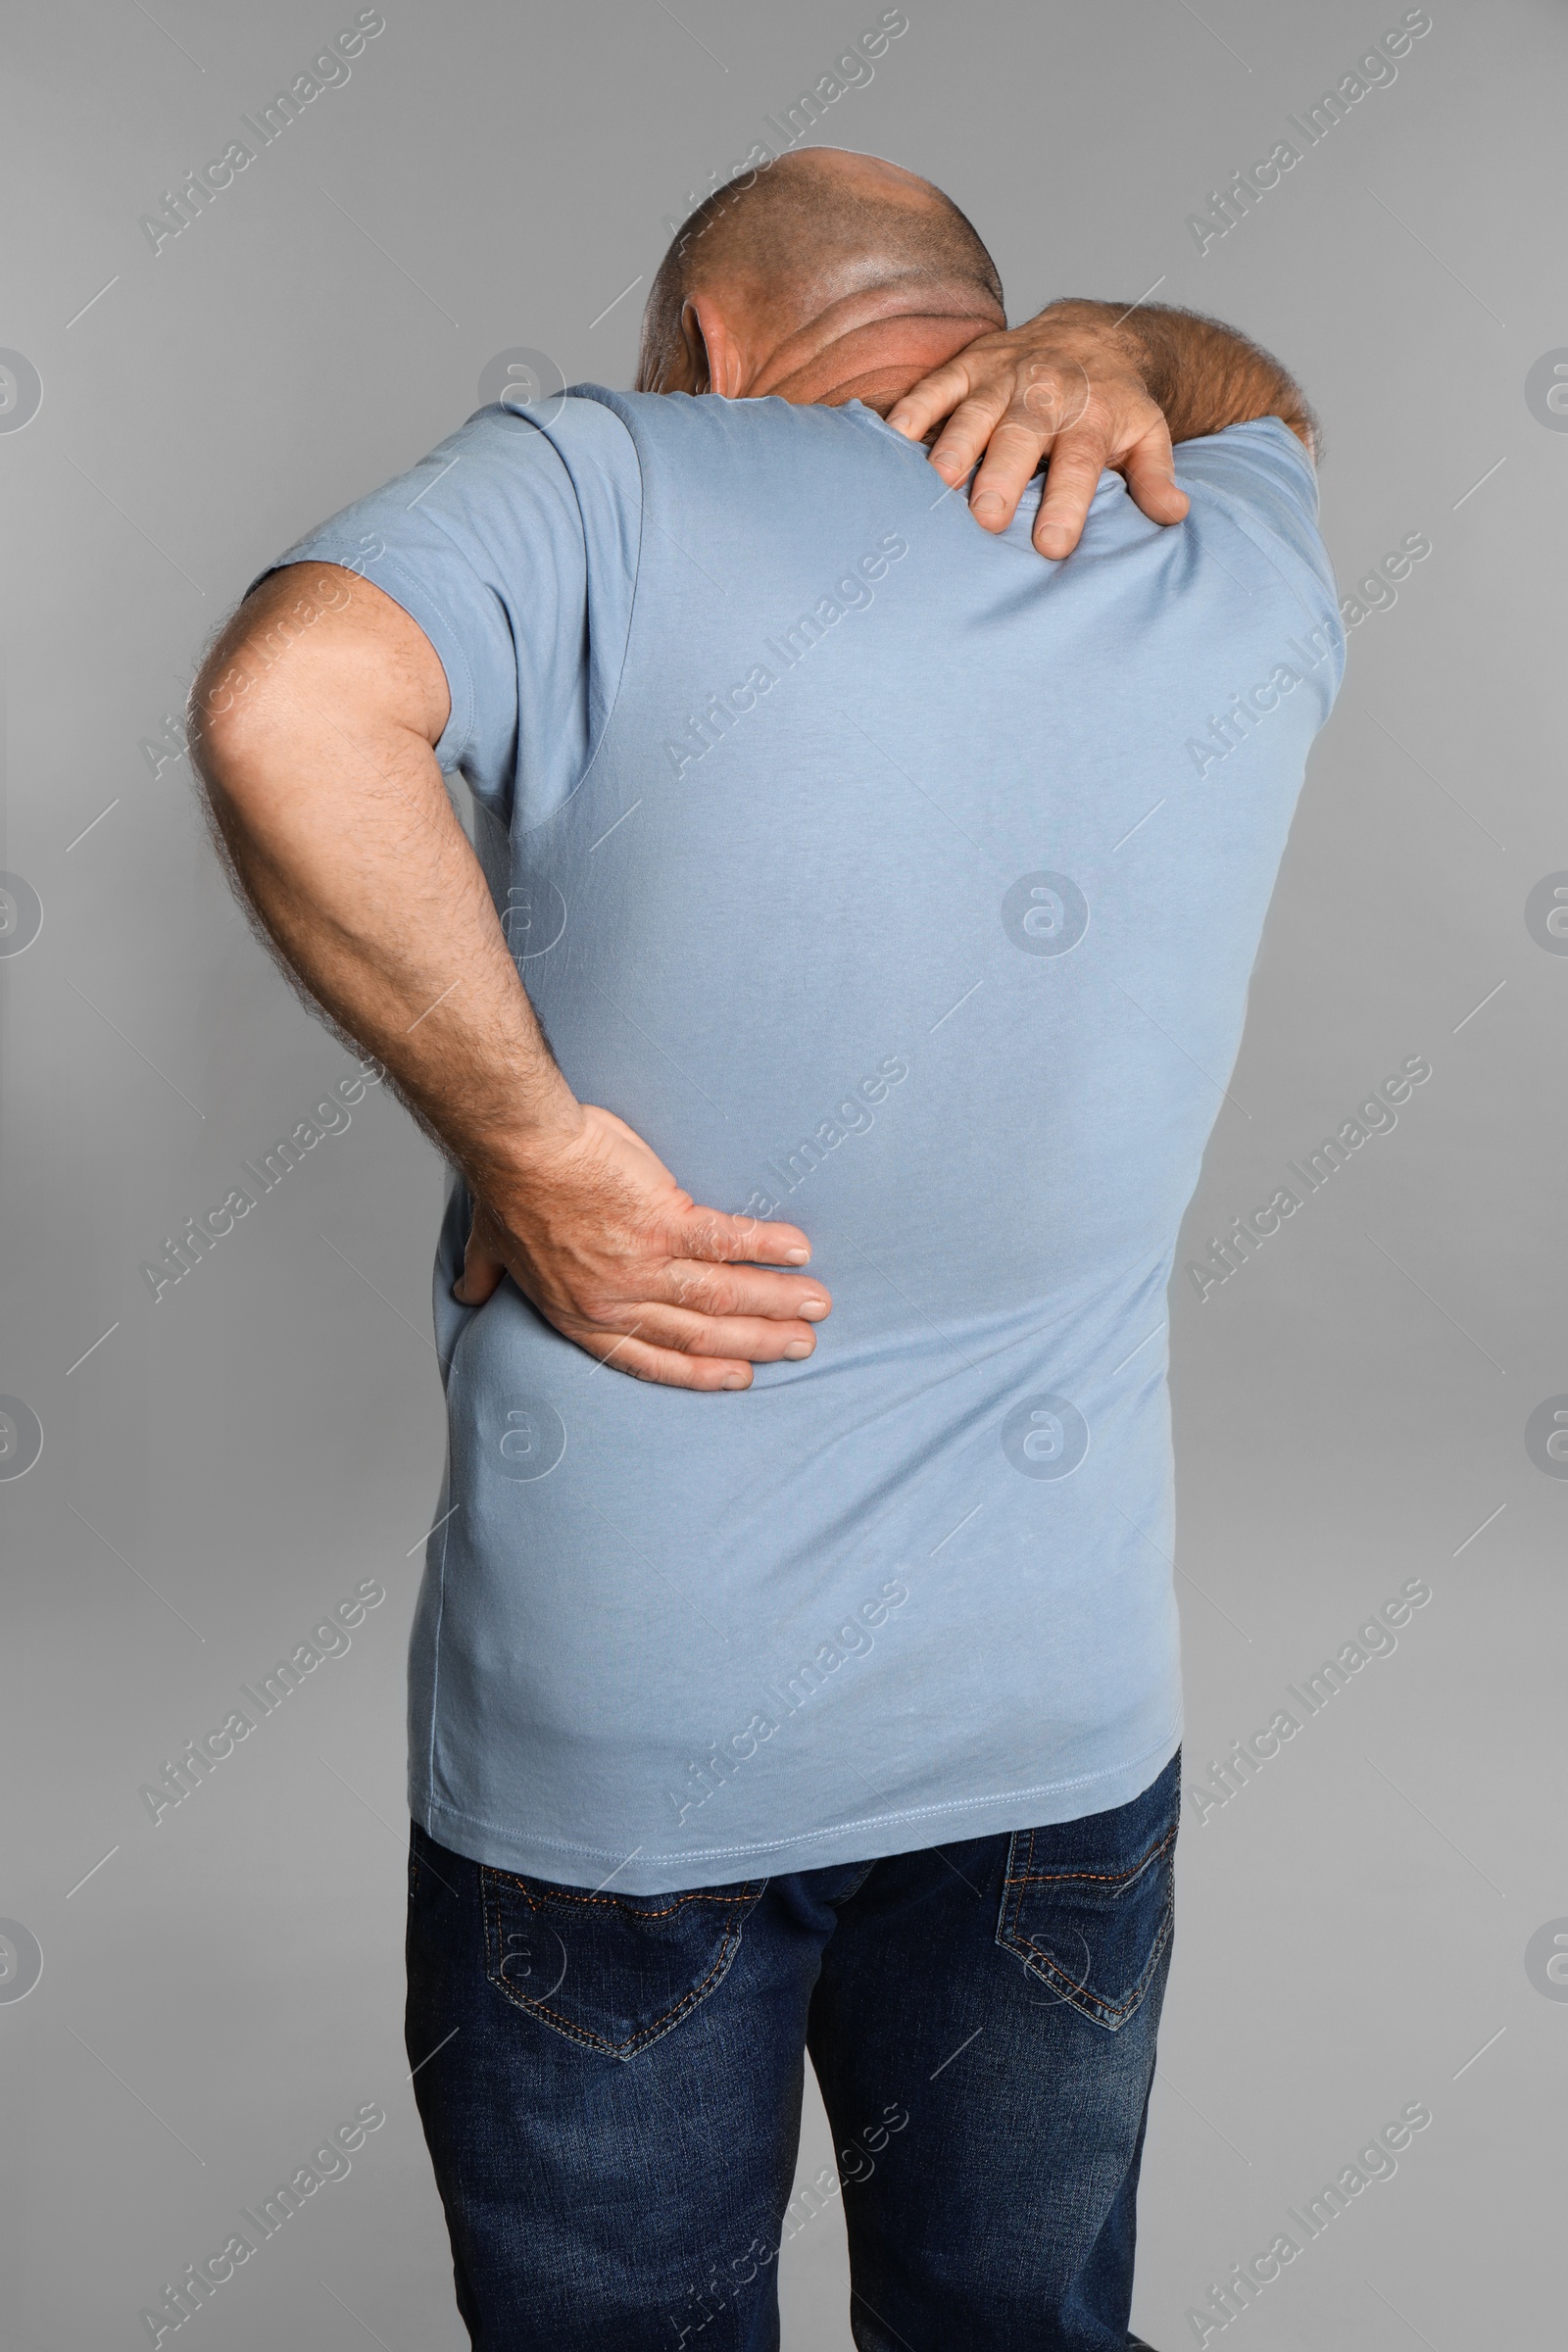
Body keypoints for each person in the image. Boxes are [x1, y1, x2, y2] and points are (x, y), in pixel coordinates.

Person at [192, 149, 1339, 2352]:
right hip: (1054, 1733)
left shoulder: (613, 475)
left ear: (708, 345)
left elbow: (287, 704)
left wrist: (527, 1146)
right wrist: (1124, 348)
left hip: (627, 1757)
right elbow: (1270, 402)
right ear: (1004, 337)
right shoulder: (1226, 532)